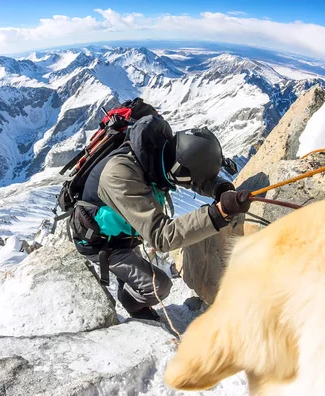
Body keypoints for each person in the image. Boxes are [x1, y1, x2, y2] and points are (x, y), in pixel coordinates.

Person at [69, 114, 252, 321]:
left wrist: (220, 188)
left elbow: (192, 175)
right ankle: (132, 304)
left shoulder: (161, 152)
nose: (187, 184)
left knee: (144, 272)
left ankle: (129, 277)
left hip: (126, 229)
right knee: (159, 287)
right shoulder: (120, 176)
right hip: (102, 242)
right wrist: (217, 214)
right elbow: (162, 237)